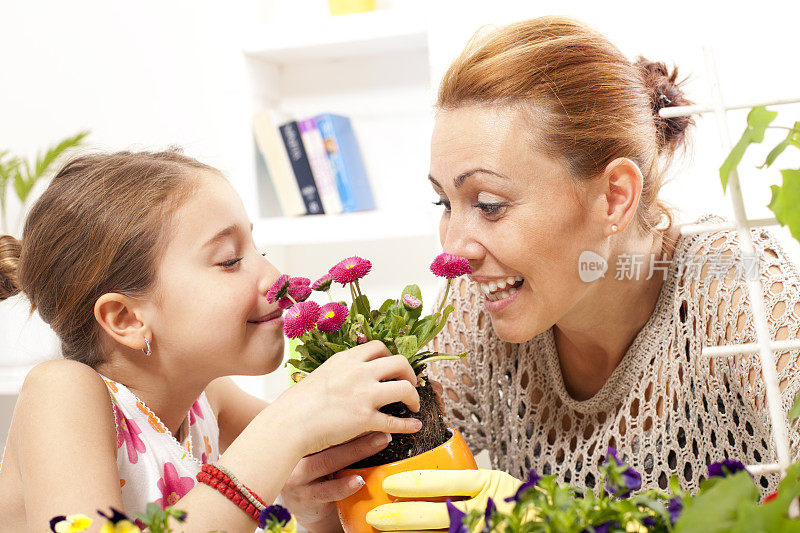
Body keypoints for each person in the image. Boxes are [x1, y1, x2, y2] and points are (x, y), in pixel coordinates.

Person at [288, 15, 800, 530]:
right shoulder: (480, 315)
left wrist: (558, 522)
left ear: (614, 196)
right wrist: (323, 513)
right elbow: (395, 496)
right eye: (444, 201)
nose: (455, 247)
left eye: (488, 203)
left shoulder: (740, 290)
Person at [0, 150, 424, 532]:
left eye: (260, 248)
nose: (277, 277)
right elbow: (275, 446)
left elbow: (314, 477)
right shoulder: (61, 393)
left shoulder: (210, 400)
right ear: (126, 318)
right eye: (230, 260)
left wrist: (313, 510)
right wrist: (288, 426)